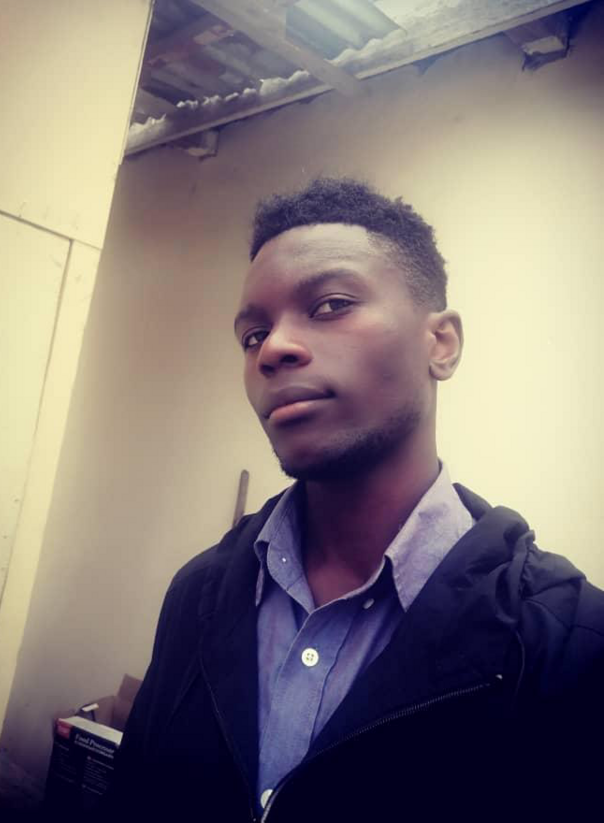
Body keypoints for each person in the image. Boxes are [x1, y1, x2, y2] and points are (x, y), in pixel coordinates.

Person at [103, 178, 604, 822]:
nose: (273, 349)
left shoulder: (571, 647)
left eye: (331, 305)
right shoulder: (197, 593)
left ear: (441, 344)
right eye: (253, 335)